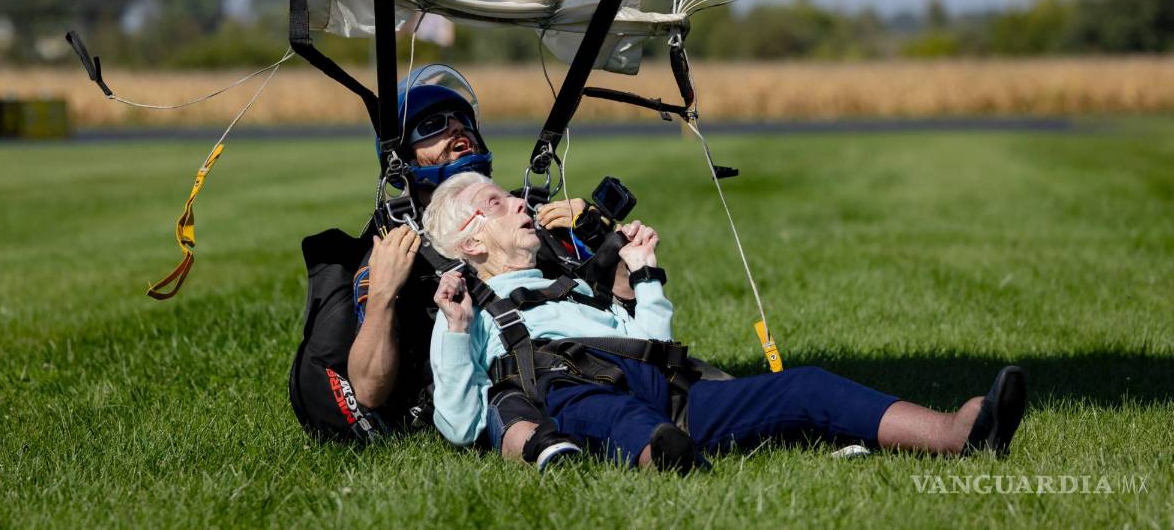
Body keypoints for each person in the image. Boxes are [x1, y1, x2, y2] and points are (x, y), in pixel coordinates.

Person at [423, 172, 1028, 470]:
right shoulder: (467, 306)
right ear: (470, 242)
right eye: (496, 203)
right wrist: (453, 329)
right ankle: (670, 463)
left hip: (666, 391)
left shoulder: (573, 283)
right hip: (575, 394)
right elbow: (458, 421)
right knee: (619, 417)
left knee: (808, 384)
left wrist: (646, 272)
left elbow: (654, 346)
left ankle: (955, 434)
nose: (520, 203)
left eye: (513, 196)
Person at [345, 65, 589, 467]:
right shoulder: (395, 247)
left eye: (464, 124)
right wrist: (382, 296)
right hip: (497, 399)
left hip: (579, 369)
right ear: (402, 159)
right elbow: (369, 392)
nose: (457, 131)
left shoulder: (527, 217)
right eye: (434, 126)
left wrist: (591, 235)